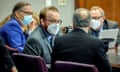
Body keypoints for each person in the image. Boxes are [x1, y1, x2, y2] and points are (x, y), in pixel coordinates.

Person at [51, 8, 112, 72]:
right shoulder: (97, 43)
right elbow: (107, 70)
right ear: (89, 23)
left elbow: (53, 67)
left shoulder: (59, 40)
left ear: (73, 23)